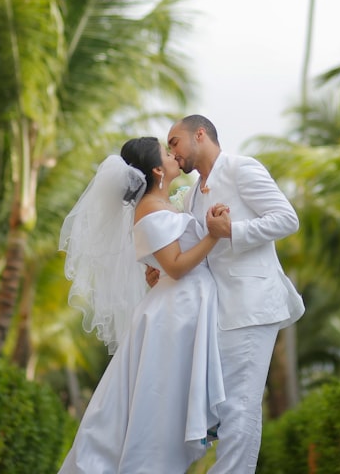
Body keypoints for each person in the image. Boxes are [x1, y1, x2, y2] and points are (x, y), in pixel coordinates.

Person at [57, 136, 231, 474]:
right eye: (167, 152)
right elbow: (178, 266)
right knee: (157, 407)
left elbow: (168, 261)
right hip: (173, 314)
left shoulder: (164, 204)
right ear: (156, 168)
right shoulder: (150, 207)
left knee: (161, 404)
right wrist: (213, 234)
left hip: (180, 307)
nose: (173, 155)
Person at [165, 114, 305, 474]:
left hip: (253, 303)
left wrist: (232, 230)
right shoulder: (195, 192)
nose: (171, 152)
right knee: (226, 407)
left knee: (240, 405)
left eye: (174, 142)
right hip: (220, 311)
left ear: (200, 134)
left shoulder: (242, 168)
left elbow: (286, 218)